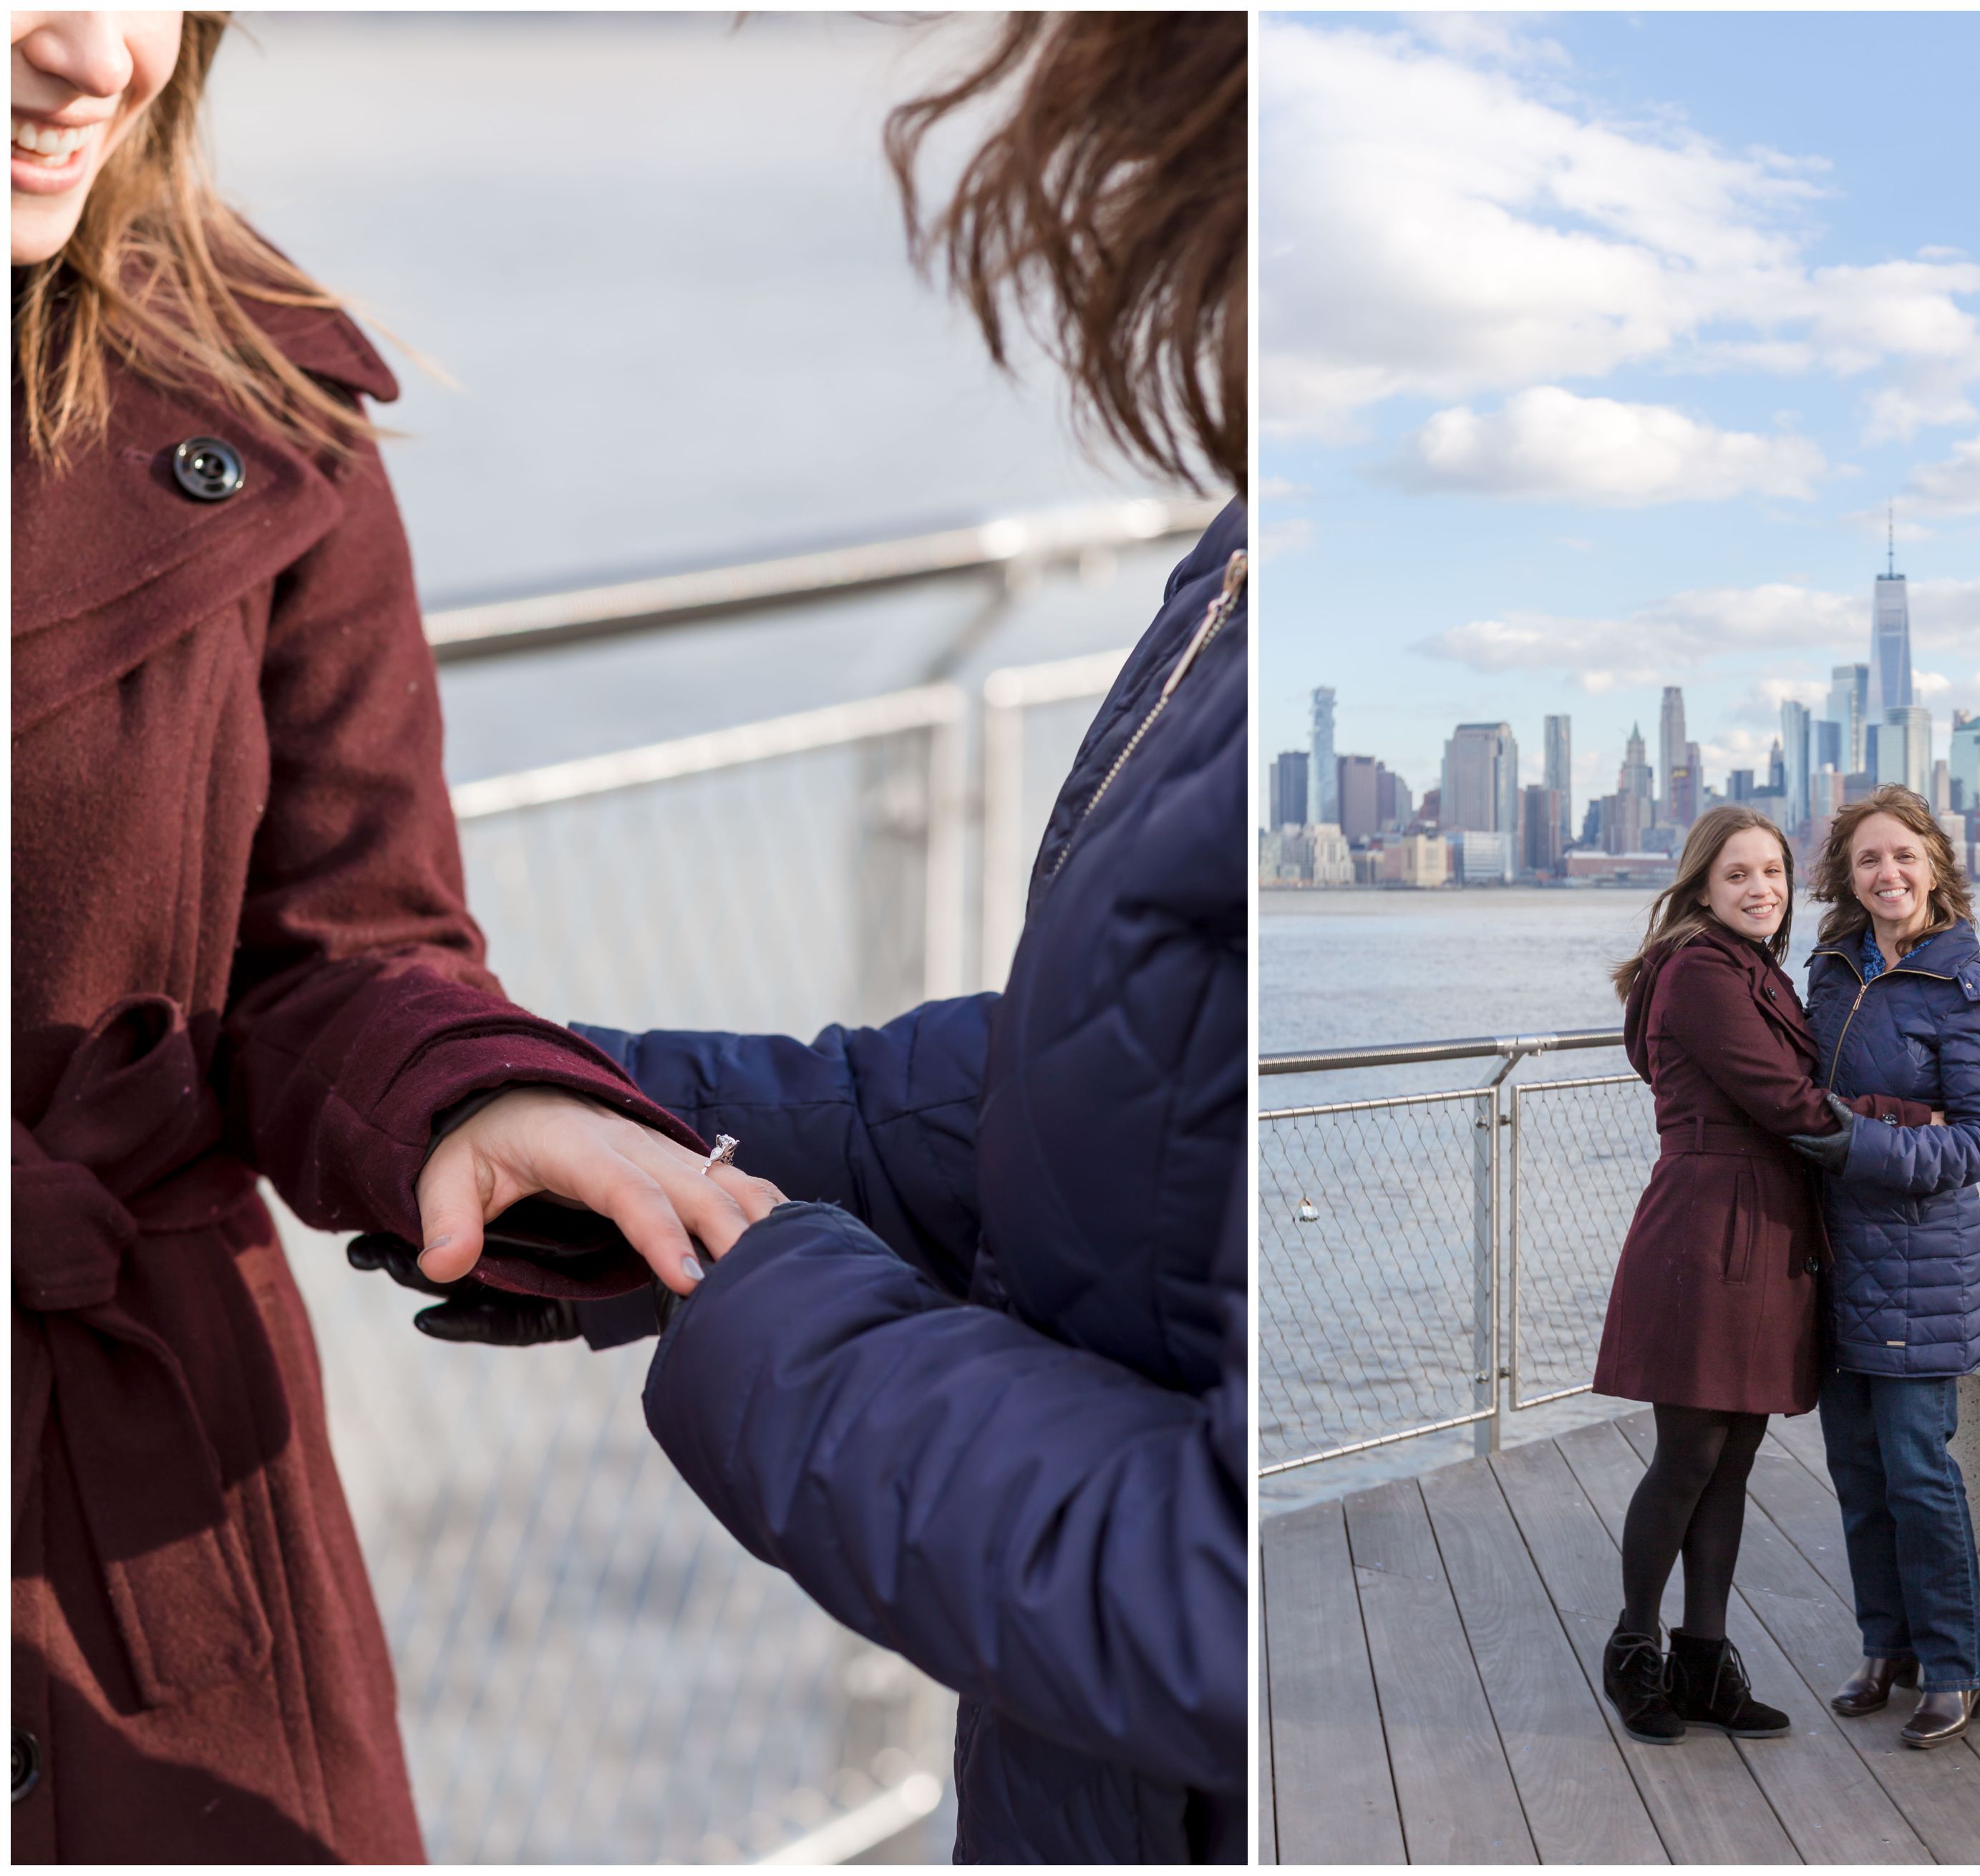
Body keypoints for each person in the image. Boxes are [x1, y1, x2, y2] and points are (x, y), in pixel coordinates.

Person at [419, 14, 1250, 1862]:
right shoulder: (1260, 552)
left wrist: (761, 1278)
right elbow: (1137, 1099)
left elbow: (1239, 1592)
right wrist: (525, 1089)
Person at [9, 11, 750, 1860]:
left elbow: (337, 945)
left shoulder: (247, 400)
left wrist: (467, 1094)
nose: (103, 57)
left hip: (127, 1483)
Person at [1590, 805, 1931, 1746]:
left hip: (1764, 1224)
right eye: (1738, 873)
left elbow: (1799, 1091)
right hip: (1709, 1231)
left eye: (1773, 873)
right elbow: (1784, 1099)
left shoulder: (1756, 971)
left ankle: (1706, 1655)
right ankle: (1634, 1647)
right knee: (1690, 1454)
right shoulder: (1699, 969)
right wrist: (1912, 1115)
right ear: (1702, 885)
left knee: (1733, 1458)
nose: (1760, 888)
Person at [1786, 784, 1980, 1749]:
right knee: (1855, 1468)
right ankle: (1884, 1646)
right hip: (1833, 1256)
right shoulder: (1832, 969)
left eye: (1903, 855)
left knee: (1919, 1471)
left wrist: (1863, 1147)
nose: (1887, 873)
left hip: (1922, 1265)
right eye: (1868, 858)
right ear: (1847, 874)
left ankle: (1955, 1664)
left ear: (1936, 865)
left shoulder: (1967, 988)